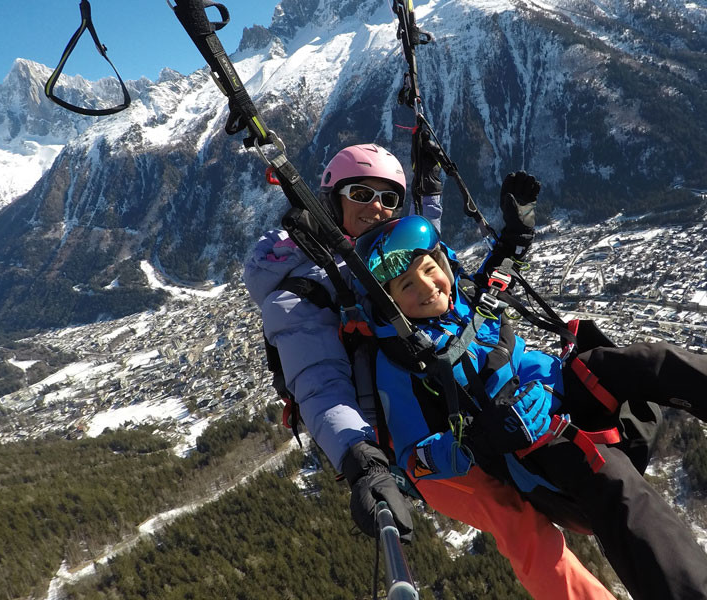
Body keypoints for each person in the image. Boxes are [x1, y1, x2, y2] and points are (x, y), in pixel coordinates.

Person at [353, 181, 707, 599]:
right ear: (391, 303)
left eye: (431, 270)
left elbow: (499, 284)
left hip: (561, 387)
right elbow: (415, 458)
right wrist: (482, 437)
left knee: (648, 362)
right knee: (614, 482)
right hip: (533, 443)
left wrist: (514, 233)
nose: (429, 287)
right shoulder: (401, 361)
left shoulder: (464, 301)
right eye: (408, 286)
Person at [244, 144, 619, 599]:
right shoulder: (306, 290)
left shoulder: (392, 251)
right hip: (417, 440)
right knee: (518, 523)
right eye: (360, 193)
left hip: (468, 404)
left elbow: (454, 294)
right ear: (331, 201)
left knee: (590, 449)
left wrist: (504, 240)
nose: (376, 208)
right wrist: (362, 461)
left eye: (389, 198)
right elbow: (320, 384)